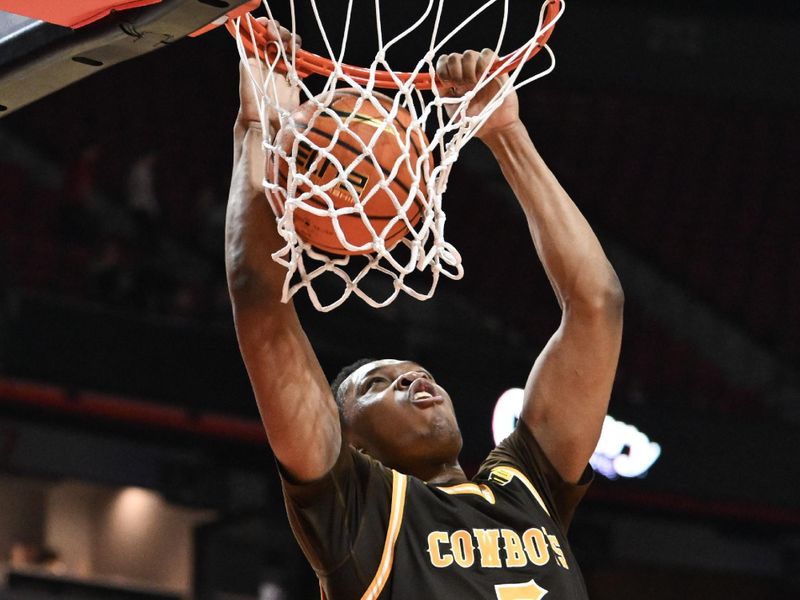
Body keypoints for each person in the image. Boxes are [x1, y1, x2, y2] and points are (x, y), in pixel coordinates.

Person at [225, 20, 623, 600]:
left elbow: (597, 306)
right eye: (377, 385)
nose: (412, 375)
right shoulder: (355, 510)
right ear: (349, 442)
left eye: (415, 373)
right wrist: (257, 127)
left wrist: (505, 133)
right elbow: (259, 299)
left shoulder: (524, 488)